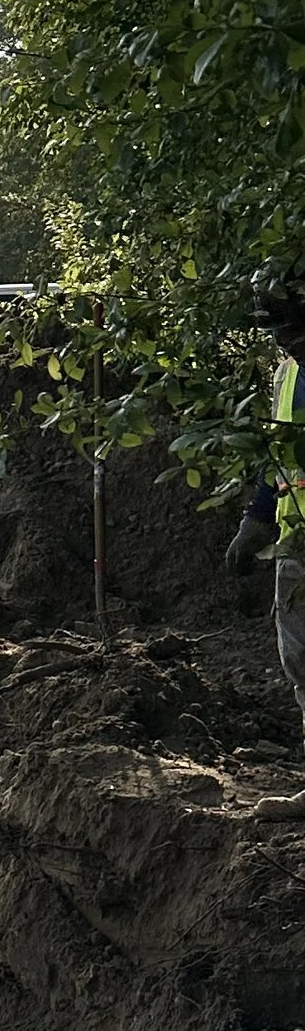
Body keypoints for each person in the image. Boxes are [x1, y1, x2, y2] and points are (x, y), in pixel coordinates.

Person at [223, 272, 305, 734]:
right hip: (296, 543)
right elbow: (277, 458)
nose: (283, 341)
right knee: (300, 661)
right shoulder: (287, 376)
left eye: (290, 330)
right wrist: (255, 521)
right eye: (276, 332)